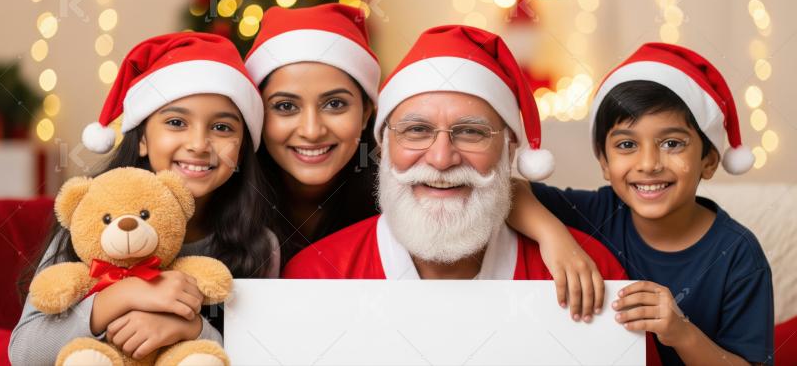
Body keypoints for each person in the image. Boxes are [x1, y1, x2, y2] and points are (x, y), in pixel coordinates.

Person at [282, 24, 626, 285]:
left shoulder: (592, 272)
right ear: (383, 146)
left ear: (509, 150)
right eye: (417, 131)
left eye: (470, 132)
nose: (442, 158)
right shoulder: (314, 275)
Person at [10, 33, 279, 364]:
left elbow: (263, 352)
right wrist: (121, 296)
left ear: (240, 149)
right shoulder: (92, 217)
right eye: (176, 122)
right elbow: (23, 352)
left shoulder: (259, 244)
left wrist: (193, 330)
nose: (199, 143)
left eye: (222, 128)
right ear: (142, 140)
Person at [508, 43, 774, 365]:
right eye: (627, 144)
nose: (648, 163)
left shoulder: (738, 255)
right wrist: (554, 237)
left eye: (672, 143)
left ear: (708, 160)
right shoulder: (598, 213)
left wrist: (681, 331)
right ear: (605, 163)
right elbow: (506, 193)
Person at [245, 3, 381, 263]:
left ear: (365, 113)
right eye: (286, 106)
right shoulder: (218, 200)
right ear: (257, 114)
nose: (312, 131)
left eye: (335, 104)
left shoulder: (400, 209)